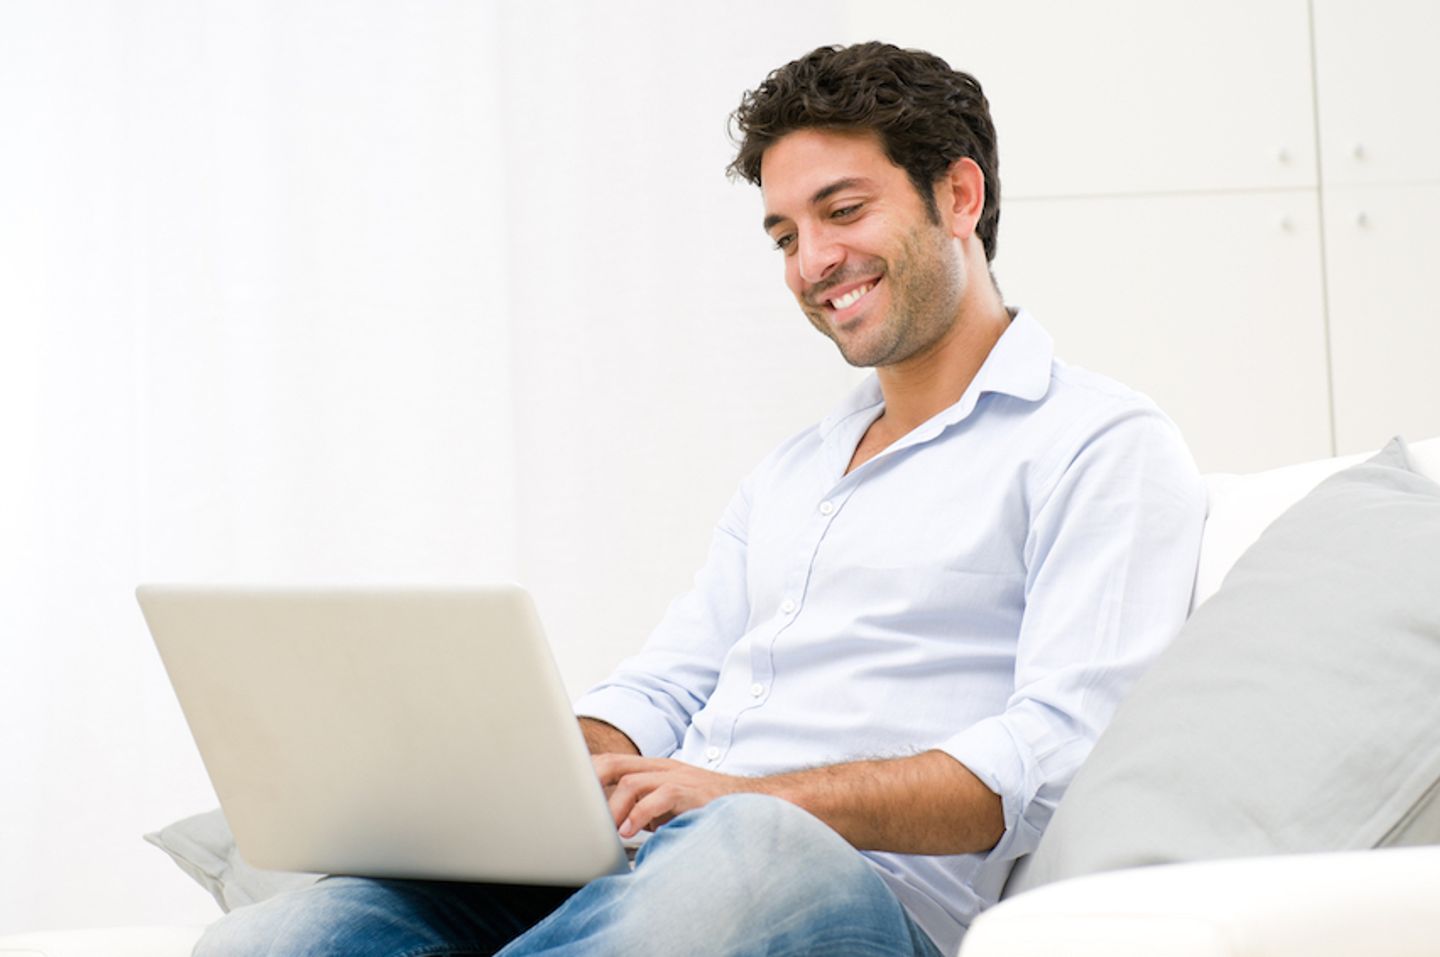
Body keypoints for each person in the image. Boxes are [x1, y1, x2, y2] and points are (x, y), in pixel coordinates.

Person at [196, 41, 1205, 957]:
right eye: (784, 235)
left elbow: (1053, 754)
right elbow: (670, 686)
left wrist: (744, 796)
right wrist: (540, 771)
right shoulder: (796, 472)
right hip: (654, 869)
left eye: (843, 211)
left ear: (959, 195)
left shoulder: (1096, 444)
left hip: (847, 893)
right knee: (296, 931)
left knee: (751, 847)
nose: (812, 263)